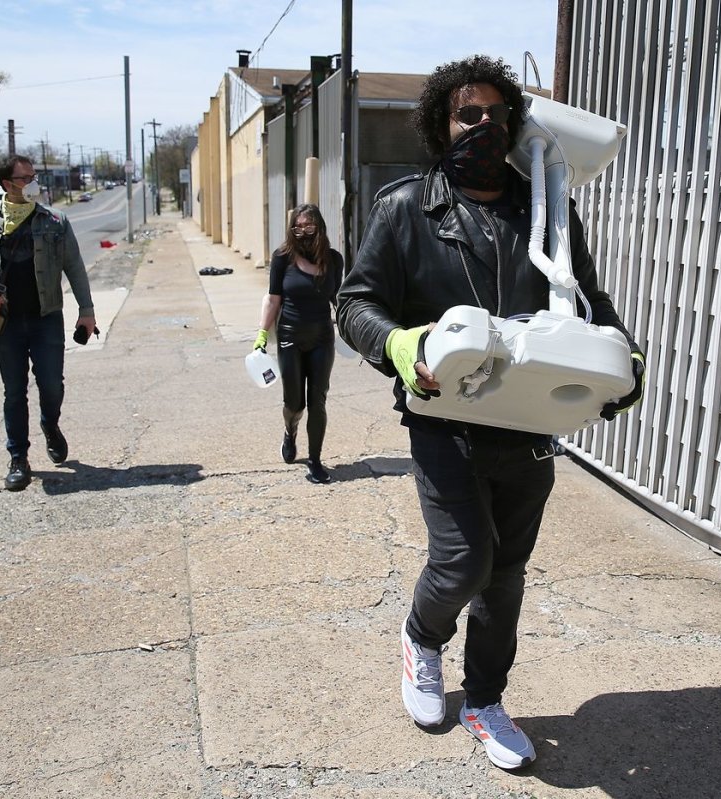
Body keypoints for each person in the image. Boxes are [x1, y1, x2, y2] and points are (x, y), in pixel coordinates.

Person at [336, 55, 645, 770]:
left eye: (495, 113)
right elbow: (355, 304)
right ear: (440, 125)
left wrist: (624, 356)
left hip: (530, 419)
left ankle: (484, 700)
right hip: (444, 413)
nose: (483, 124)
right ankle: (422, 636)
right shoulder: (406, 207)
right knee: (465, 558)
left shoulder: (546, 210)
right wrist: (401, 344)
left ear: (514, 122)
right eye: (466, 114)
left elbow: (589, 298)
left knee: (506, 572)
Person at [0, 155, 95, 491]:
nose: (33, 183)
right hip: (5, 323)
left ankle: (50, 424)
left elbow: (74, 267)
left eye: (34, 176)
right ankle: (18, 458)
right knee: (14, 391)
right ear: (7, 184)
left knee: (52, 384)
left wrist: (87, 310)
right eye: (26, 178)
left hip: (45, 318)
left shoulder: (55, 220)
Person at [252, 204, 344, 484]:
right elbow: (273, 298)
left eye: (308, 226)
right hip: (290, 337)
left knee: (318, 400)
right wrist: (262, 335)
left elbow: (336, 299)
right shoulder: (282, 257)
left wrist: (351, 327)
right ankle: (290, 432)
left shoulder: (334, 260)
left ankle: (315, 460)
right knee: (294, 402)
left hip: (322, 338)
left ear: (319, 227)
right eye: (298, 226)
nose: (303, 231)